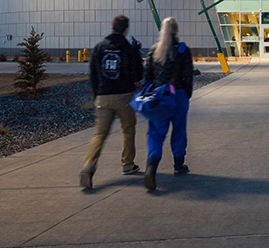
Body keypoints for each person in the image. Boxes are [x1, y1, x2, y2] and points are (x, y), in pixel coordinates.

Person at [80, 15, 144, 190]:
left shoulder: (100, 48)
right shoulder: (129, 49)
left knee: (100, 134)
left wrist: (97, 94)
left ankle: (88, 166)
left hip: (103, 96)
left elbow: (93, 74)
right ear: (126, 29)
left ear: (111, 27)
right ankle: (127, 164)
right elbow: (138, 73)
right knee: (128, 130)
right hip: (124, 96)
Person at [143, 17, 194, 191]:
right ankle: (179, 165)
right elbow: (188, 76)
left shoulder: (154, 50)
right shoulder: (182, 50)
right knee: (179, 130)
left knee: (156, 133)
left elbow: (147, 77)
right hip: (177, 94)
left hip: (159, 96)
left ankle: (151, 166)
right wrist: (187, 94)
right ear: (176, 30)